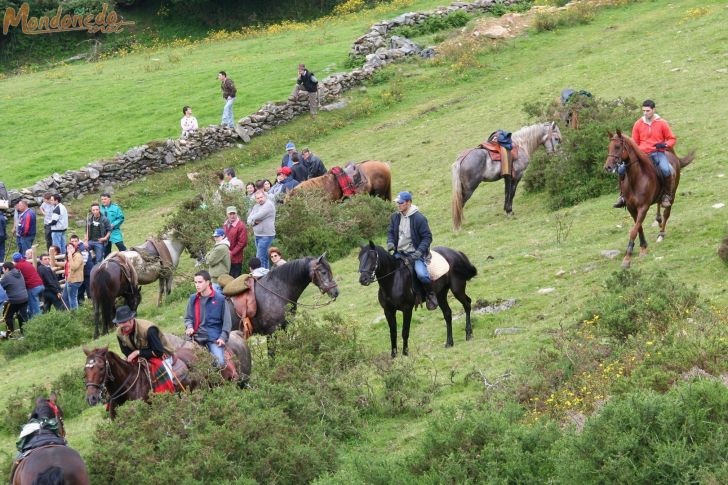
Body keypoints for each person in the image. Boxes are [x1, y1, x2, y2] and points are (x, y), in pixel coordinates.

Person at [614, 99, 678, 209]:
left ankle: (666, 196)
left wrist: (664, 145)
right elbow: (634, 142)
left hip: (657, 153)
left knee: (666, 169)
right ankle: (623, 196)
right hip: (641, 154)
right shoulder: (638, 124)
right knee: (621, 169)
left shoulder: (662, 123)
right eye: (643, 111)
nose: (645, 113)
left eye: (647, 111)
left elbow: (672, 139)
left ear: (653, 110)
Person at [387, 191, 438, 310]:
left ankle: (430, 294)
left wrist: (419, 252)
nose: (398, 205)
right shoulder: (395, 217)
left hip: (415, 254)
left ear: (409, 203)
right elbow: (390, 232)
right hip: (399, 253)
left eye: (401, 202)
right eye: (397, 202)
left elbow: (427, 237)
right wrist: (390, 242)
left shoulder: (419, 218)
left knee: (422, 275)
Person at [114, 305, 177, 394]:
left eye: (124, 322)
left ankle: (171, 396)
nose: (122, 325)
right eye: (120, 322)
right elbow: (125, 351)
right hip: (140, 358)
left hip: (161, 355)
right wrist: (135, 355)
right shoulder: (119, 333)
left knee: (167, 378)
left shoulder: (148, 329)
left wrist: (137, 353)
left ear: (132, 319)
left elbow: (158, 352)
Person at [184, 270, 231, 368]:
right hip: (195, 336)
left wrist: (222, 337)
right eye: (195, 282)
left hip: (213, 338)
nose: (197, 285)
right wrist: (189, 326)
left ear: (208, 282)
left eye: (200, 282)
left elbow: (227, 323)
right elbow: (188, 318)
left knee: (220, 363)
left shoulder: (220, 299)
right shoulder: (193, 299)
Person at [247, 190, 276, 269]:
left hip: (266, 235)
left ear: (265, 196)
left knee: (259, 258)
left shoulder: (268, 205)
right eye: (258, 198)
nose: (260, 199)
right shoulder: (256, 206)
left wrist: (252, 218)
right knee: (264, 258)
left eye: (261, 197)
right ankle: (267, 276)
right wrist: (254, 222)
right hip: (258, 235)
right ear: (255, 199)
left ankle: (261, 277)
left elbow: (258, 216)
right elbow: (248, 220)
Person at [11, 253, 44, 319]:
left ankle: (39, 322)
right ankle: (33, 321)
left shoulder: (18, 266)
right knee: (33, 305)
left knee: (35, 308)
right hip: (40, 285)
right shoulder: (27, 262)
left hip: (32, 287)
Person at [1, 262, 28, 337]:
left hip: (14, 300)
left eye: (3, 269)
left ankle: (10, 333)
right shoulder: (19, 273)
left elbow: (1, 287)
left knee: (7, 316)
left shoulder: (7, 276)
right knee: (22, 315)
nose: (2, 271)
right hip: (24, 298)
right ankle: (25, 333)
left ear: (7, 269)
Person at [55, 243, 83, 310]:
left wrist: (70, 256)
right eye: (68, 248)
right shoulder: (71, 256)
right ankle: (69, 312)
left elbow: (74, 267)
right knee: (64, 297)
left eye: (70, 248)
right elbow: (66, 264)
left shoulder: (78, 256)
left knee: (72, 299)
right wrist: (55, 262)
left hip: (74, 280)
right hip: (69, 280)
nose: (69, 250)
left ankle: (75, 315)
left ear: (74, 248)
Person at [223, 206, 247, 278]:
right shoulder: (225, 224)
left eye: (234, 213)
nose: (232, 216)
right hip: (227, 257)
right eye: (230, 214)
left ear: (236, 214)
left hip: (236, 258)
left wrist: (232, 253)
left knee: (236, 279)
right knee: (228, 278)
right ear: (227, 214)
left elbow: (242, 243)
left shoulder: (241, 225)